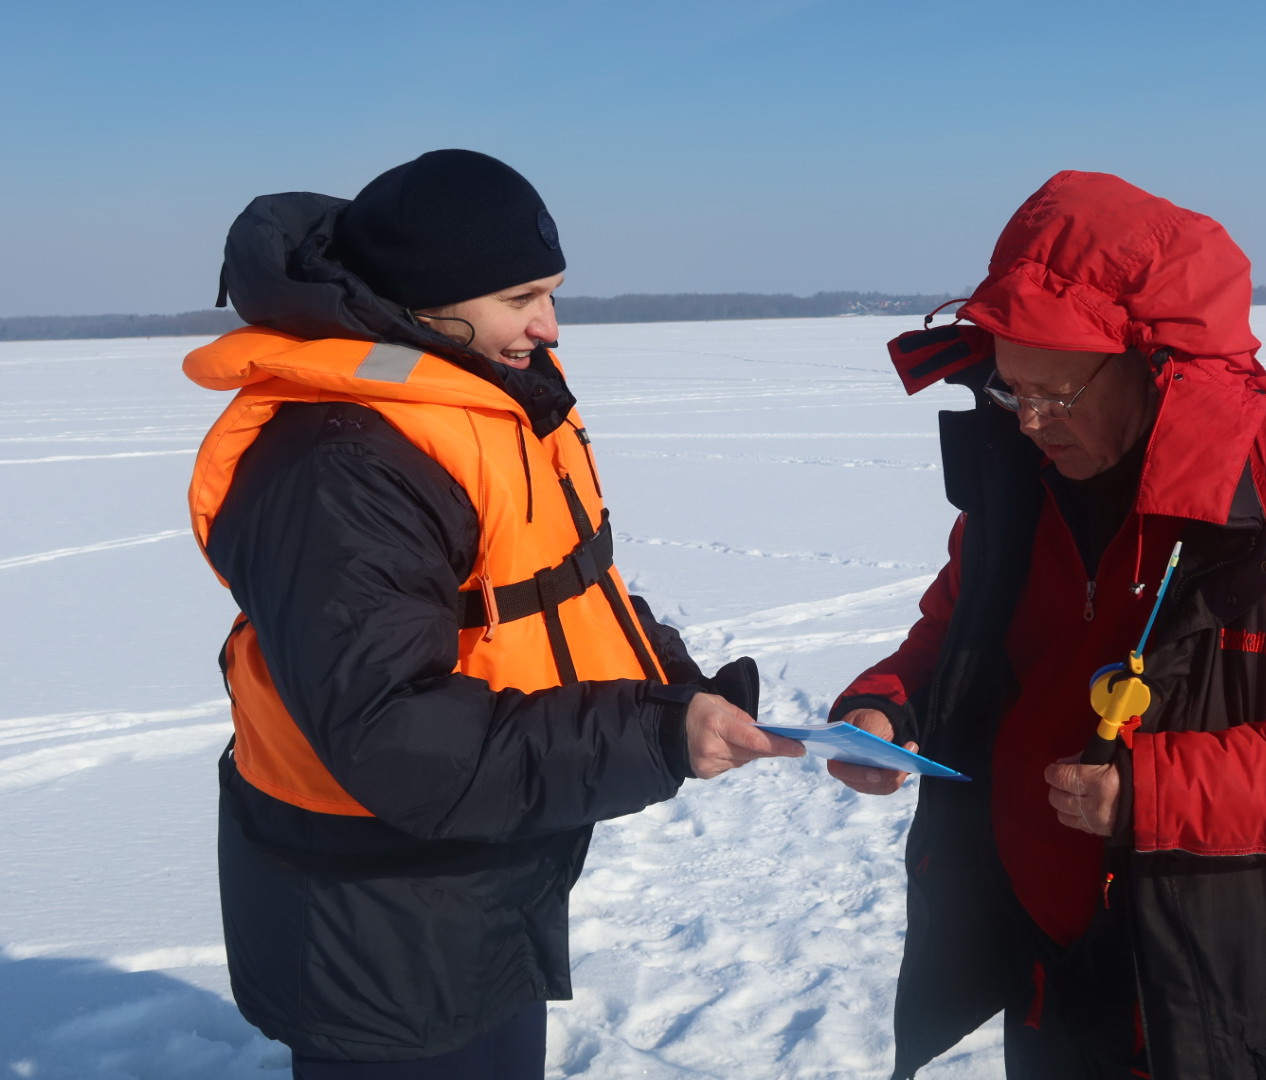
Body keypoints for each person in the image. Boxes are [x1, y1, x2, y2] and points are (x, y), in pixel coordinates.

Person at [827, 171, 1266, 1078]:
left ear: (1152, 365)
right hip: (1063, 990)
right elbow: (955, 630)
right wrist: (887, 708)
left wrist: (1155, 793)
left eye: (1054, 395)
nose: (1028, 425)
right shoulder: (1024, 482)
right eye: (1009, 392)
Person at [184, 149, 803, 1077]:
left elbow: (555, 592)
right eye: (522, 298)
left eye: (551, 292)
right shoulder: (341, 464)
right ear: (431, 301)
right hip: (381, 913)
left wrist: (675, 686)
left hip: (480, 872)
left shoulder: (468, 397)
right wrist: (654, 737)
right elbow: (395, 735)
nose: (550, 325)